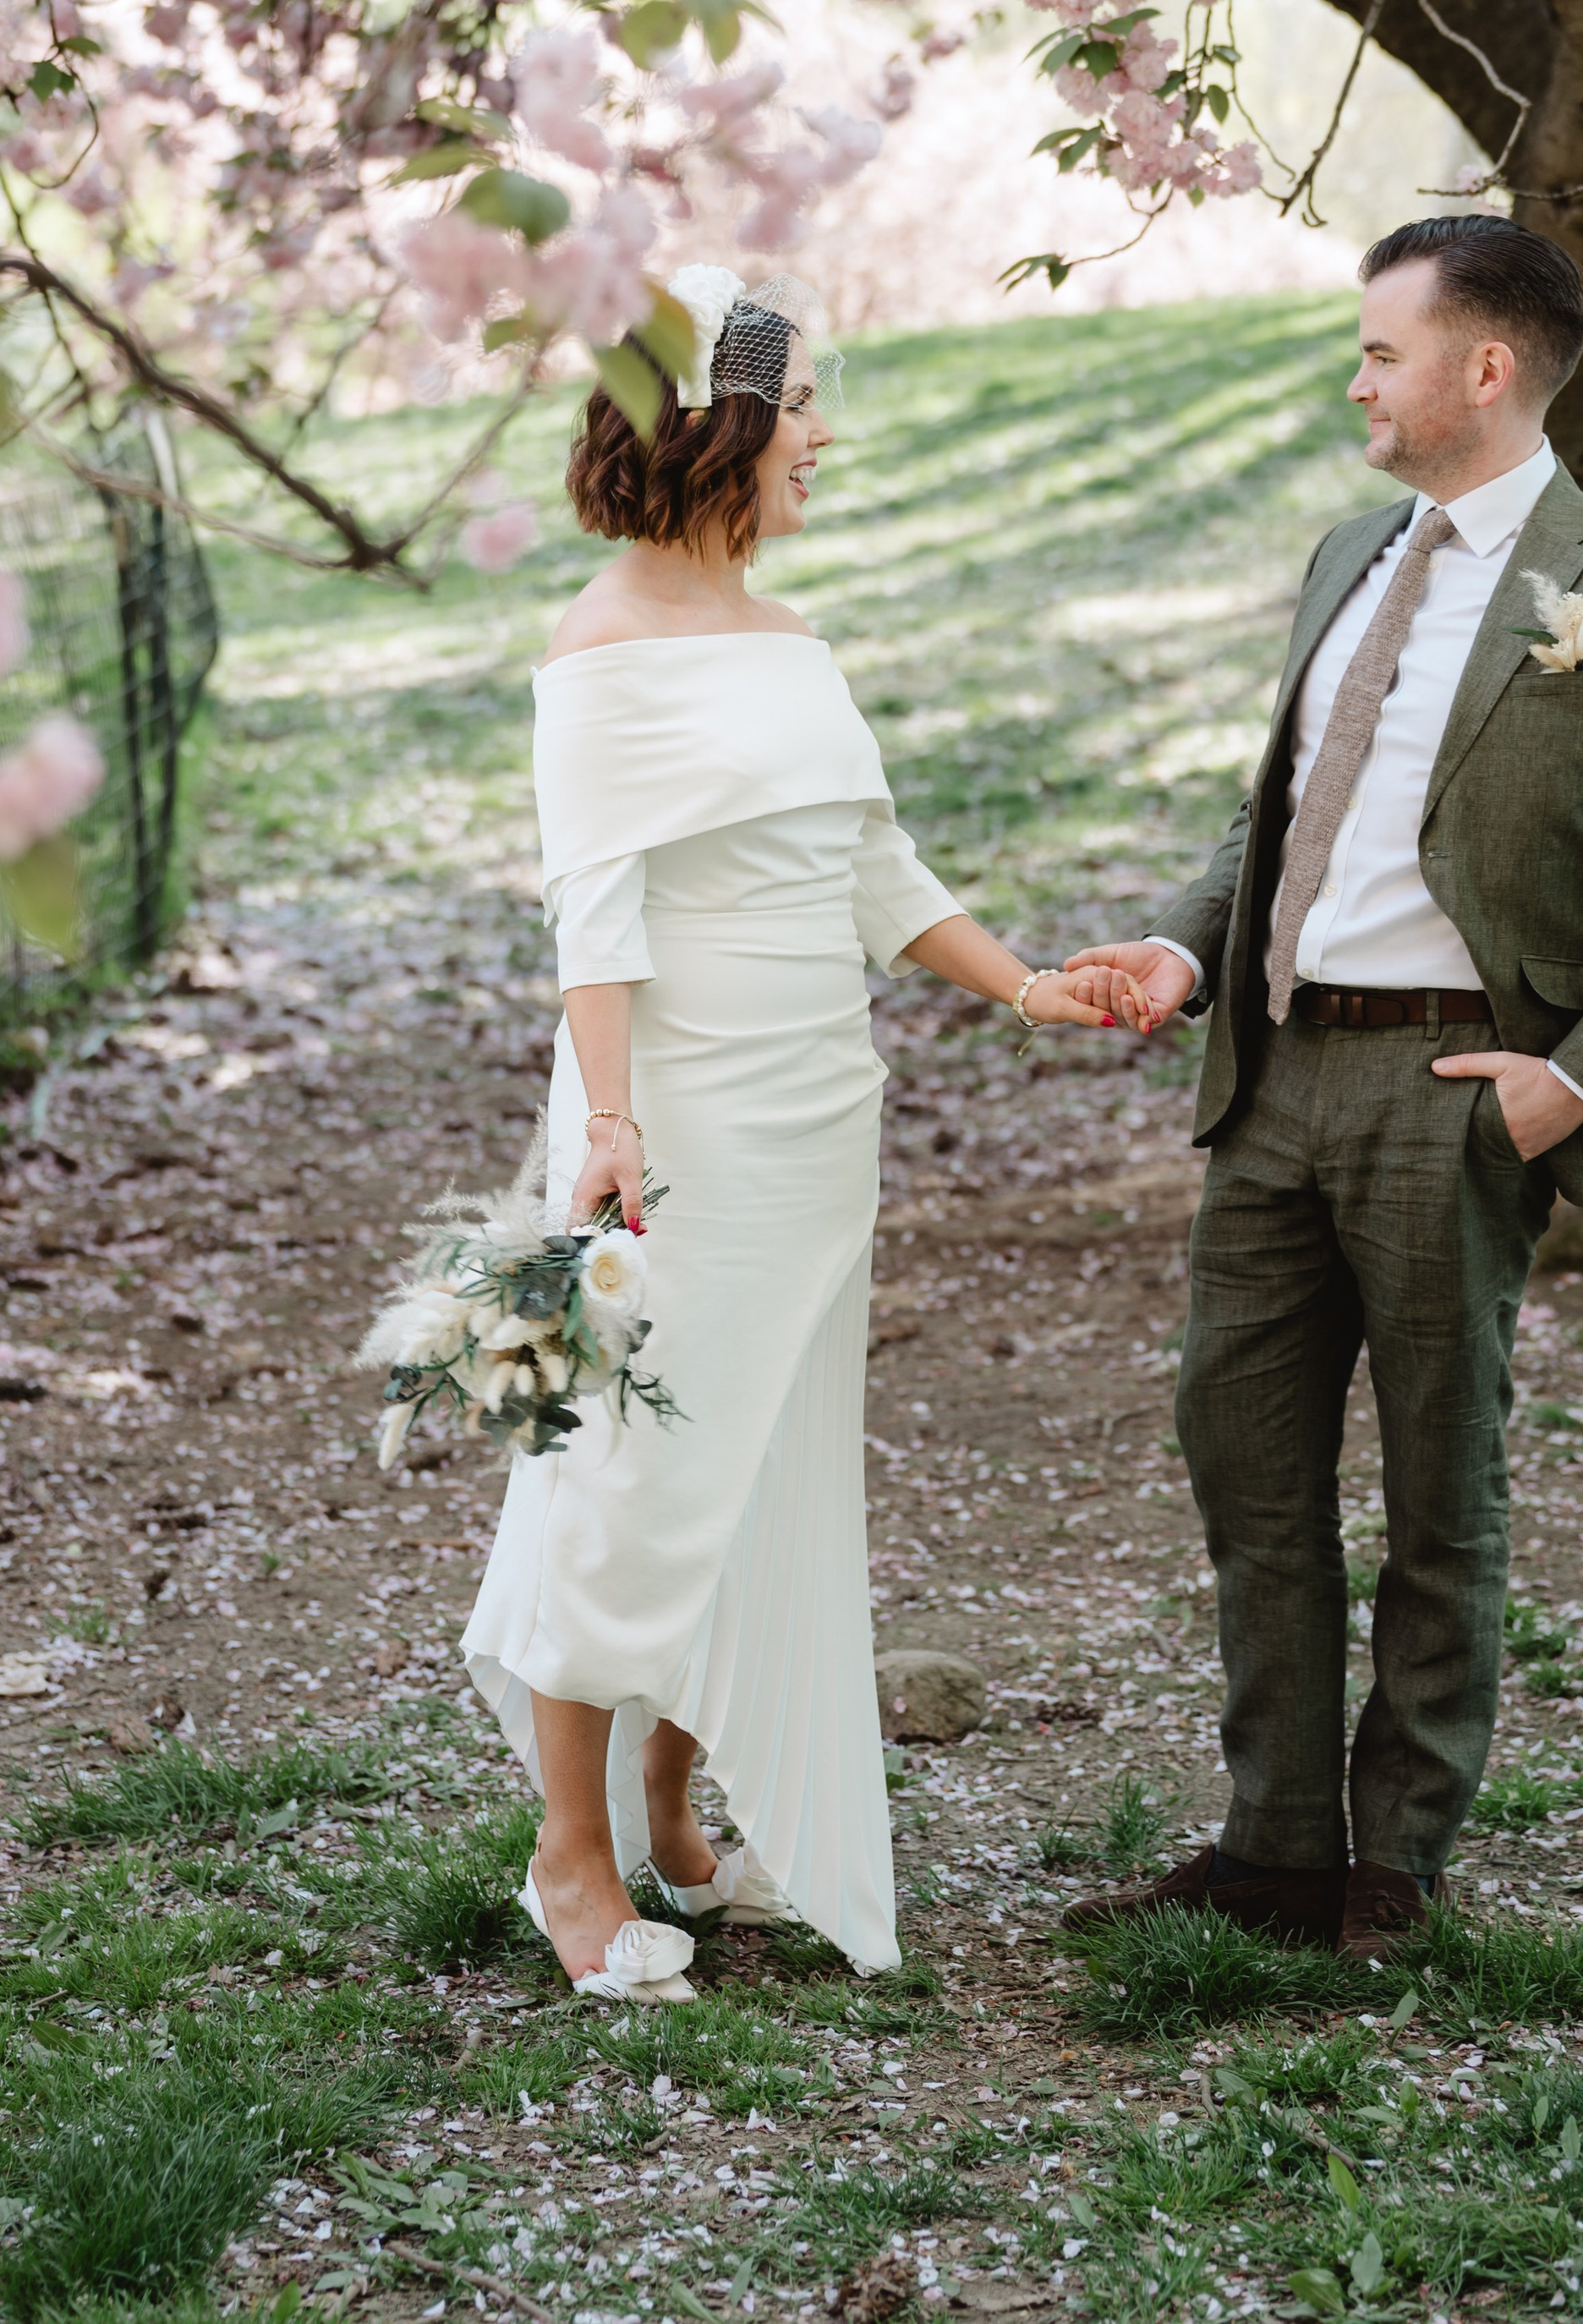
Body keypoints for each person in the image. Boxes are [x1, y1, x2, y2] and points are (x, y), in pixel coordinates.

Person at [1064, 217, 1583, 1961]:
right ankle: (1269, 1848)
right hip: (1272, 1079)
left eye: (1377, 351)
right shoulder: (1343, 554)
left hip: (1452, 1091)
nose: (1353, 379)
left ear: (1482, 369)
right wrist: (1180, 946)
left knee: (1433, 1484)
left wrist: (1571, 1084)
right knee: (1242, 1463)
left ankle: (1392, 1864)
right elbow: (1282, 824)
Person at [463, 263, 1114, 2002]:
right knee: (623, 1468)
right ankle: (571, 1850)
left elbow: (872, 868)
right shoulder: (598, 647)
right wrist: (604, 1123)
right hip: (665, 1124)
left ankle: (681, 1819)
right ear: (717, 421)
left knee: (748, 1469)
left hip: (821, 1117)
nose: (825, 437)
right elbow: (591, 912)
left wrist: (1030, 988)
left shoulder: (789, 640)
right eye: (804, 404)